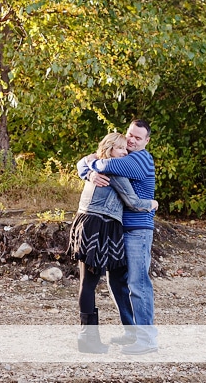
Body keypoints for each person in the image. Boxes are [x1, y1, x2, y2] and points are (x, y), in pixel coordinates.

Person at [69, 132, 158, 354]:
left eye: (136, 140)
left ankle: (133, 336)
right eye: (122, 146)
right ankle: (89, 339)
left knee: (97, 282)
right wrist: (153, 204)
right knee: (91, 283)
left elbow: (88, 160)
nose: (127, 149)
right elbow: (133, 202)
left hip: (92, 223)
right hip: (100, 226)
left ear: (147, 141)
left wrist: (91, 166)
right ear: (109, 149)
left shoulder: (138, 160)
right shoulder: (111, 168)